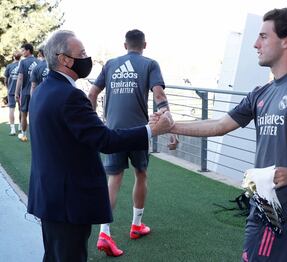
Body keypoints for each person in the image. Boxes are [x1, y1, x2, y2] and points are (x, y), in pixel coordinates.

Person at [152, 8, 287, 261]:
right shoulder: (261, 92)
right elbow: (220, 124)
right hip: (260, 199)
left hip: (286, 205)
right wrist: (172, 126)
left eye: (264, 37)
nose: (256, 44)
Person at [28, 29, 173, 262]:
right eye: (82, 53)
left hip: (49, 199)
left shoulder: (43, 91)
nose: (87, 58)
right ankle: (134, 224)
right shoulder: (69, 96)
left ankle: (108, 232)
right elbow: (105, 140)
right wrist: (152, 130)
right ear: (65, 59)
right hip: (68, 205)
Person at [88, 29, 178, 256]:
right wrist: (170, 127)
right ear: (144, 45)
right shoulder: (150, 64)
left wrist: (92, 122)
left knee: (114, 179)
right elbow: (159, 96)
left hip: (112, 131)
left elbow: (92, 93)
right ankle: (136, 225)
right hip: (139, 132)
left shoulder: (110, 64)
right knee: (141, 174)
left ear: (125, 45)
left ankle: (104, 233)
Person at [15, 43, 39, 142]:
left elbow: (20, 78)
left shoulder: (23, 62)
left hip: (25, 92)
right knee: (36, 114)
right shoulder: (39, 62)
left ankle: (24, 135)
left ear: (28, 50)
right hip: (37, 92)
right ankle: (37, 135)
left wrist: (16, 92)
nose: (22, 52)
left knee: (24, 113)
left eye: (23, 50)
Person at [4, 50, 22, 135]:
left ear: (13, 57)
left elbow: (5, 80)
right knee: (21, 109)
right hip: (21, 91)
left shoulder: (9, 66)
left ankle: (12, 129)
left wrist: (8, 88)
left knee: (11, 109)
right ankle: (20, 126)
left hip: (11, 91)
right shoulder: (22, 65)